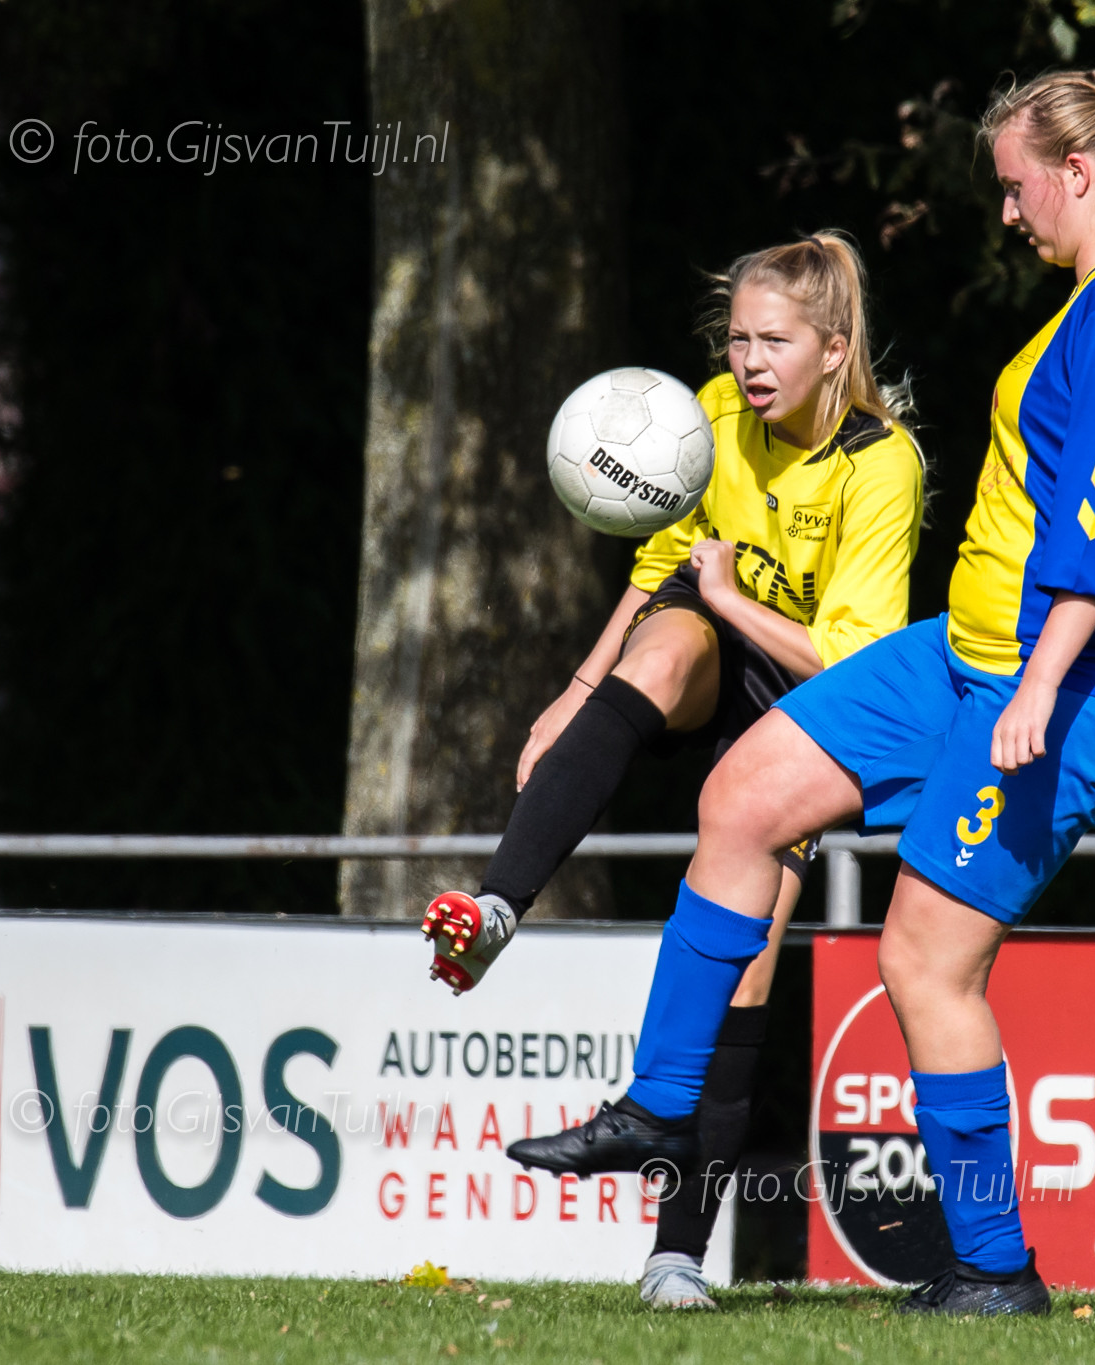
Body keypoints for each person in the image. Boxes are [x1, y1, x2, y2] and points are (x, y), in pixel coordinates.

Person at [505, 71, 1095, 1316]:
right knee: (742, 797)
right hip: (969, 653)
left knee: (923, 961)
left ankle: (992, 1270)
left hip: (1073, 685)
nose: (1005, 211)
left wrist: (1039, 688)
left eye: (1013, 185)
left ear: (1076, 173)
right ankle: (659, 1106)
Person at [426, 231, 924, 1307]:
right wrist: (575, 692)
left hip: (808, 701)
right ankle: (499, 907)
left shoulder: (882, 464)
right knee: (659, 646)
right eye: (737, 338)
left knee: (743, 969)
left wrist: (732, 598)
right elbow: (660, 571)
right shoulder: (704, 416)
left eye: (774, 341)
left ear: (835, 350)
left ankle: (676, 1257)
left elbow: (853, 663)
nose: (748, 362)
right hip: (708, 647)